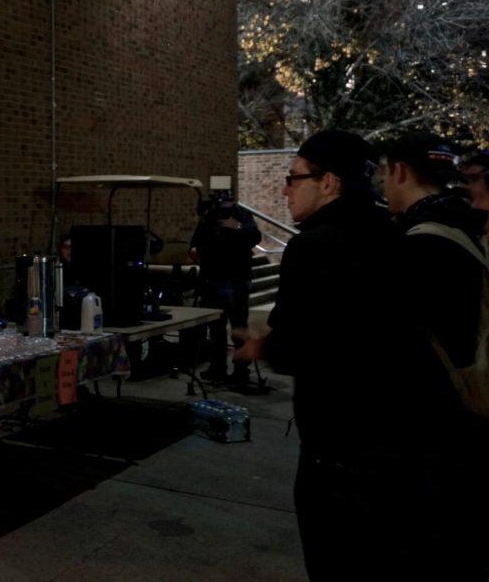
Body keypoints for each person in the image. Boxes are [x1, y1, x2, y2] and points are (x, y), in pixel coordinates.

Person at [234, 130, 426, 580]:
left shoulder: (315, 244)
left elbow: (300, 343)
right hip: (400, 446)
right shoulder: (395, 234)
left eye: (293, 177)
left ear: (329, 183)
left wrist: (261, 346)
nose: (284, 188)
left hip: (339, 451)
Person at [381, 131, 488, 580]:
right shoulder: (469, 231)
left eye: (383, 174)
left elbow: (390, 347)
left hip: (430, 431)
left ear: (400, 172)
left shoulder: (416, 246)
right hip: (469, 413)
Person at [189, 186, 261, 385]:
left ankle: (240, 371)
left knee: (238, 327)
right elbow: (196, 242)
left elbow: (255, 236)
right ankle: (217, 367)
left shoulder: (241, 215)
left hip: (236, 277)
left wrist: (236, 226)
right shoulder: (209, 217)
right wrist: (195, 251)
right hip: (213, 277)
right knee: (216, 327)